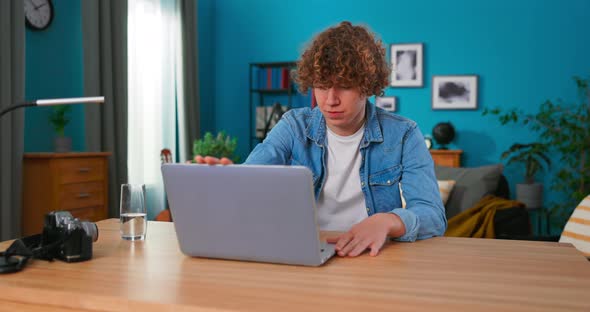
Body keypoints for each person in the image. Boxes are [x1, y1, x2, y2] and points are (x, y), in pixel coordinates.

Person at [196, 21, 446, 257]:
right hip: (306, 253)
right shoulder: (293, 126)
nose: (330, 99)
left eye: (344, 86)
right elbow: (252, 178)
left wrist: (388, 221)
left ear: (368, 85)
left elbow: (433, 215)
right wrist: (230, 181)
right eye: (322, 86)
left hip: (372, 256)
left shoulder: (403, 134)